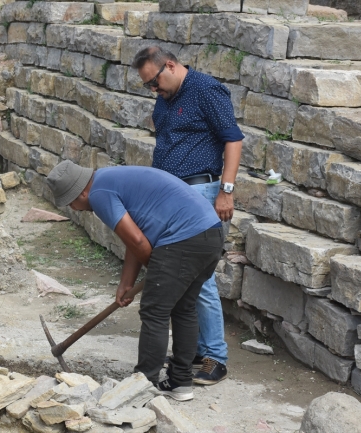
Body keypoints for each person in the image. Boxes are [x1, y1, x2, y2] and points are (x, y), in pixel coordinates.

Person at [46, 160, 224, 401]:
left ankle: (142, 386)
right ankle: (180, 382)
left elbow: (139, 243)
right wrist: (126, 284)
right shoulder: (110, 179)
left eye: (71, 202)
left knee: (155, 311)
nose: (75, 209)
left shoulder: (99, 194)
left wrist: (162, 274)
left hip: (183, 237)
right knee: (184, 308)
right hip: (210, 234)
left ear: (82, 192)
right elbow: (135, 237)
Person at [131, 46, 244, 385]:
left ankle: (215, 357)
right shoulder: (164, 97)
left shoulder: (205, 89)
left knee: (201, 279)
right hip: (169, 195)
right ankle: (192, 349)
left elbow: (233, 140)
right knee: (182, 278)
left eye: (154, 81)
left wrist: (226, 189)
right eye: (148, 86)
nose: (153, 89)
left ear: (170, 65)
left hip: (199, 193)